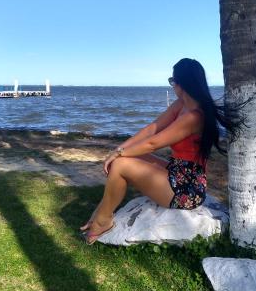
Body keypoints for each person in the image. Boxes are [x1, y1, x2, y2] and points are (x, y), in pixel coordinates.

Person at [80, 58, 240, 244]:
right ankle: (101, 212)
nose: (173, 86)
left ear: (181, 83)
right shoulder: (181, 105)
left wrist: (119, 154)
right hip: (176, 172)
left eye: (173, 81)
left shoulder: (194, 116)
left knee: (122, 163)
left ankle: (102, 221)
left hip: (187, 189)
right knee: (126, 157)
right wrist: (119, 149)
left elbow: (153, 143)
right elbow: (152, 129)